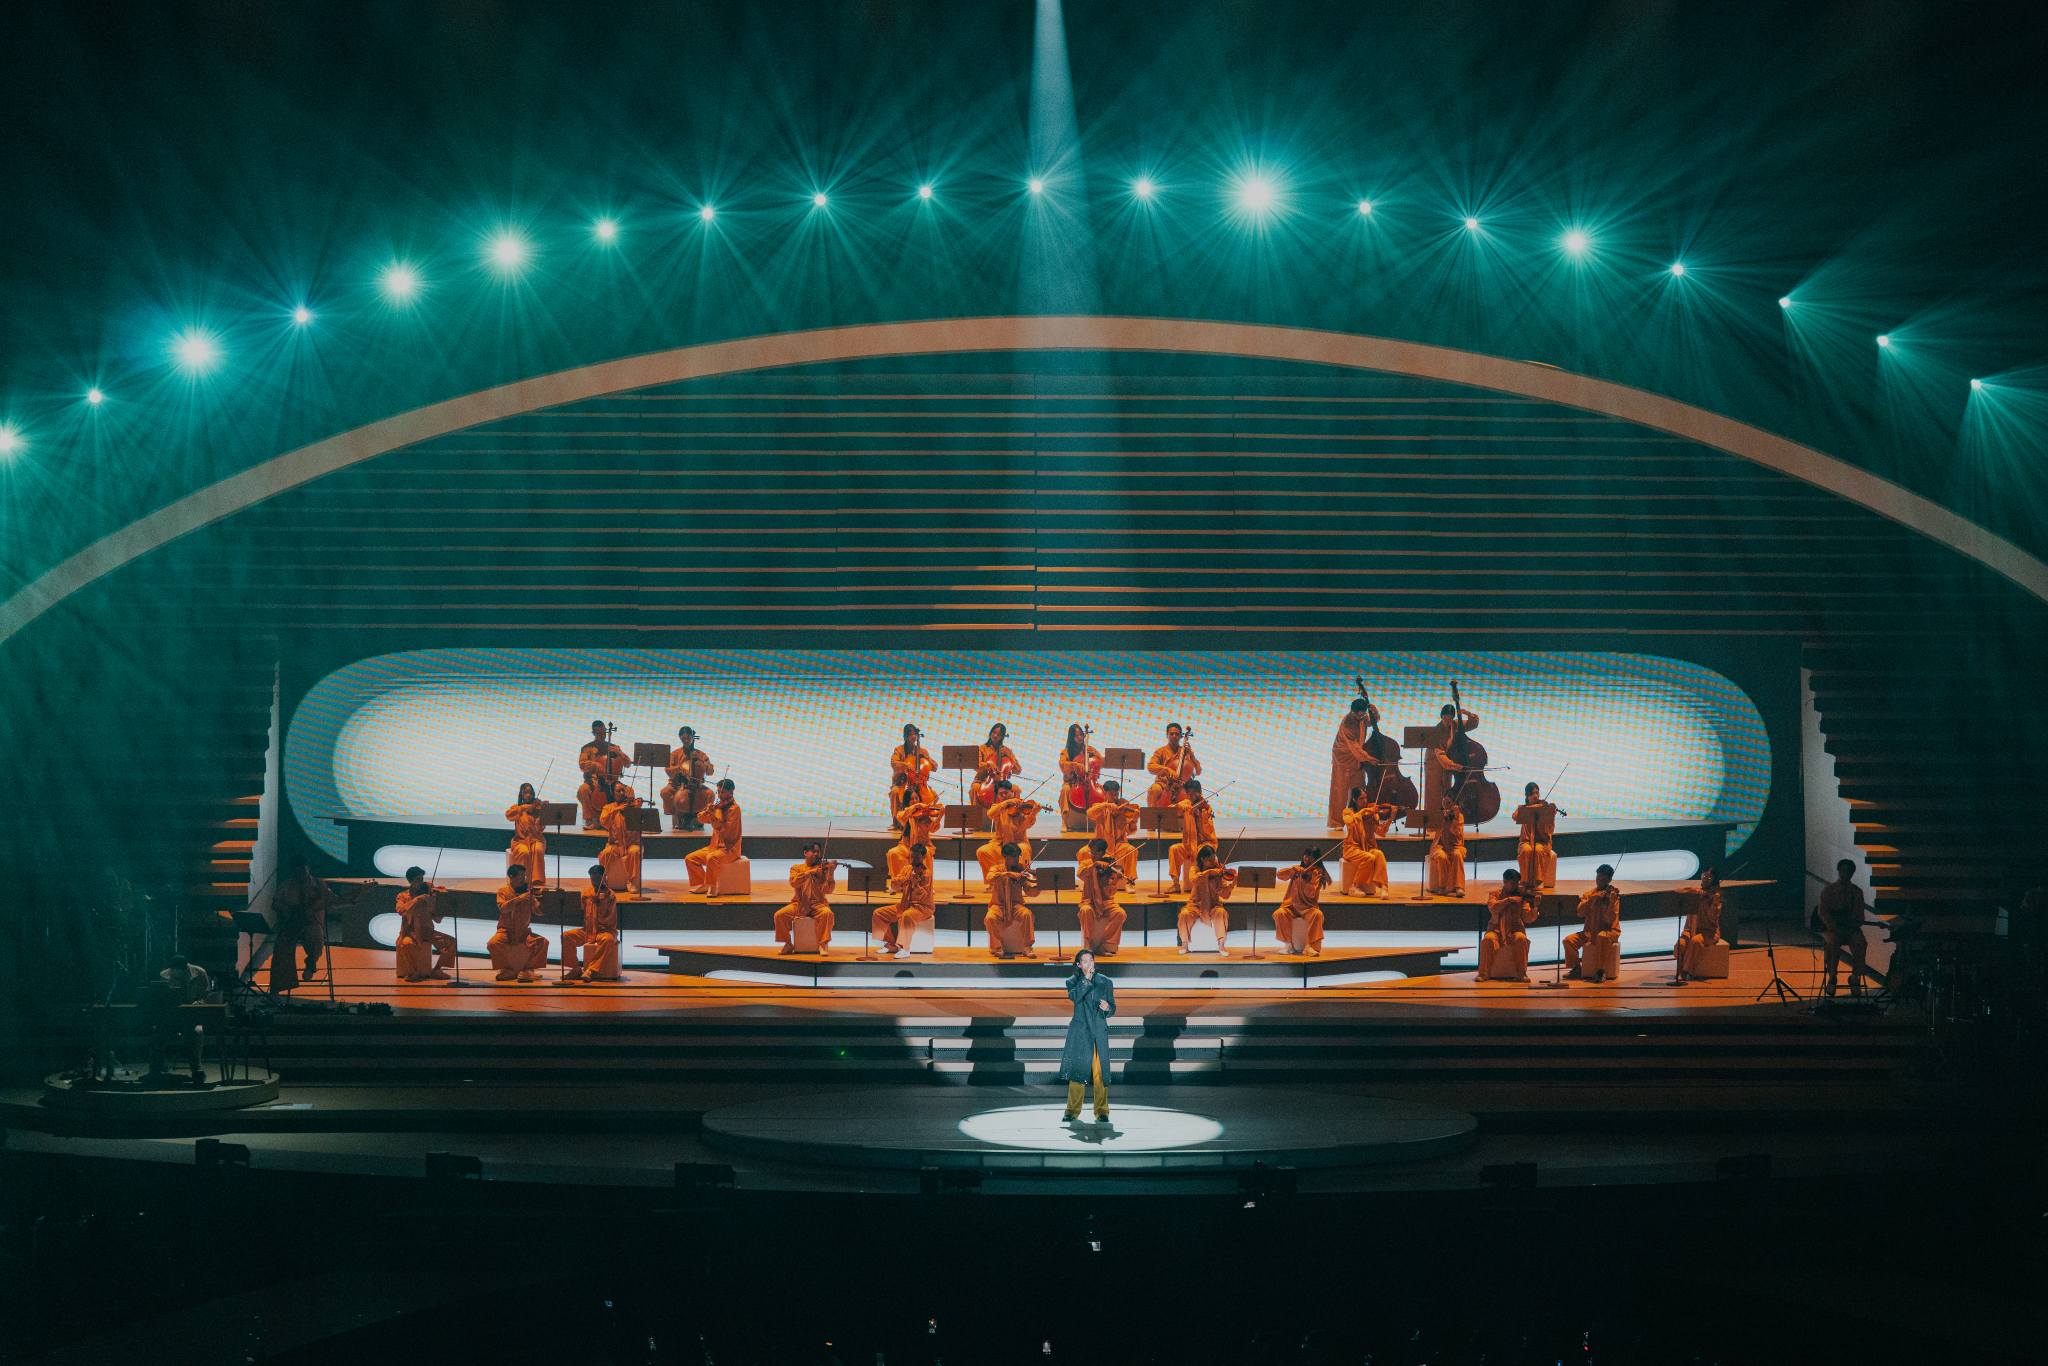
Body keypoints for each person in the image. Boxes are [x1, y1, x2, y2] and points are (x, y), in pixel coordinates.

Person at [1059, 950, 1116, 1123]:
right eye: (1085, 961)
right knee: (1078, 1072)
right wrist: (1086, 979)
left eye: (1091, 960)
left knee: (1100, 1073)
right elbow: (1075, 997)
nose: (1089, 964)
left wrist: (1108, 1008)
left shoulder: (1105, 981)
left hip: (1098, 1031)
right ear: (1078, 965)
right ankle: (1071, 1110)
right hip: (1081, 1031)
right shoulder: (1072, 982)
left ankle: (1102, 1111)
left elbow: (1112, 1007)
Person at [270, 853, 332, 993]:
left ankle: (310, 964)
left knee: (316, 937)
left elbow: (331, 899)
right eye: (297, 872)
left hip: (311, 923)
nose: (301, 875)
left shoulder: (318, 885)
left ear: (308, 868)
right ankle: (280, 985)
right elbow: (275, 903)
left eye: (303, 871)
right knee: (281, 946)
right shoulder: (286, 886)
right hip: (291, 923)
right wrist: (285, 909)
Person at [1814, 859, 1872, 997]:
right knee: (1832, 943)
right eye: (1843, 871)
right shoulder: (1828, 890)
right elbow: (1822, 912)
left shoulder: (1857, 892)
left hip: (1850, 929)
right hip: (1831, 928)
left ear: (1852, 873)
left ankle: (1855, 977)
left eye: (1849, 872)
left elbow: (1859, 915)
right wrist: (1832, 925)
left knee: (1860, 943)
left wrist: (1853, 925)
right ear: (1839, 871)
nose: (1845, 874)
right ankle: (1832, 977)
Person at [773, 842, 839, 954]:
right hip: (799, 904)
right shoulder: (796, 868)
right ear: (805, 853)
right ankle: (788, 943)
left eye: (818, 852)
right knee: (779, 915)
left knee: (827, 914)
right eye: (814, 851)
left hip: (817, 904)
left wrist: (831, 873)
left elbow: (828, 890)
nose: (816, 854)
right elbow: (793, 882)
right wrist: (810, 872)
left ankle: (823, 944)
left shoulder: (823, 870)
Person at [873, 840, 935, 956]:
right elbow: (894, 886)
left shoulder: (927, 873)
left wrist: (915, 885)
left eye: (916, 857)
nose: (913, 860)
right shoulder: (907, 869)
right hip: (905, 905)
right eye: (911, 857)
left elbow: (923, 896)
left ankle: (904, 948)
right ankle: (891, 943)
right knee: (878, 914)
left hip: (922, 908)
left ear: (923, 857)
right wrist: (904, 880)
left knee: (907, 916)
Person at [395, 865, 455, 981]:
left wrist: (441, 903)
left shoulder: (427, 895)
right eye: (418, 879)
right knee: (407, 944)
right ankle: (414, 972)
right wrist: (417, 900)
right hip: (411, 932)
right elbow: (401, 911)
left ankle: (437, 969)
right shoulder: (403, 896)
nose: (421, 882)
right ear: (410, 881)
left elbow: (437, 920)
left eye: (422, 879)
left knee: (451, 942)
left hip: (427, 931)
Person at [488, 863, 548, 982]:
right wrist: (519, 899)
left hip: (523, 931)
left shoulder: (528, 892)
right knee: (493, 943)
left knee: (543, 942)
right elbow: (503, 908)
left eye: (524, 876)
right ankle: (507, 969)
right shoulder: (503, 891)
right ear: (511, 876)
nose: (524, 879)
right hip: (506, 930)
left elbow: (538, 912)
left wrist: (539, 902)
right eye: (521, 876)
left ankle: (528, 970)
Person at [1479, 869, 1540, 982]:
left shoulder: (1521, 897)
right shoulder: (1495, 894)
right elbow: (1493, 908)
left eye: (1517, 883)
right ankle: (1483, 973)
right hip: (1496, 929)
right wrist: (1508, 900)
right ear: (1505, 882)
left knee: (1521, 938)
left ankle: (1521, 973)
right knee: (1488, 939)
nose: (1515, 885)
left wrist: (1535, 907)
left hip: (1514, 929)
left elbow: (1528, 918)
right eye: (1512, 883)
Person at [562, 864, 621, 982]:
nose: (594, 882)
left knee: (608, 940)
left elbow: (610, 919)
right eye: (592, 879)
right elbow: (582, 912)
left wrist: (600, 904)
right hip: (588, 930)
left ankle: (591, 969)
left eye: (597, 879)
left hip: (604, 930)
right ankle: (575, 968)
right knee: (566, 936)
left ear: (603, 877)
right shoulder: (587, 893)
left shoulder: (610, 896)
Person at [685, 779, 743, 897]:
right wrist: (707, 812)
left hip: (729, 849)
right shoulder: (718, 807)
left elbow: (727, 831)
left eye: (722, 792)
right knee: (690, 858)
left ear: (731, 792)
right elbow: (701, 819)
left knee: (712, 858)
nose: (719, 795)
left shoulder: (734, 809)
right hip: (714, 847)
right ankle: (703, 884)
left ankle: (713, 886)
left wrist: (716, 815)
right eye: (718, 792)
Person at [1564, 863, 1622, 981]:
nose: (1599, 881)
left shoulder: (1613, 897)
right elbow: (1580, 912)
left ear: (1609, 880)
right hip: (1589, 932)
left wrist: (1610, 902)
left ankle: (1600, 971)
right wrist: (1593, 899)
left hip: (1609, 931)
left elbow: (1609, 919)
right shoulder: (1589, 894)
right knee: (1568, 940)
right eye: (1598, 877)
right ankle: (1576, 968)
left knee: (1601, 936)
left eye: (1603, 879)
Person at [1177, 845, 1238, 954]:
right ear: (1203, 859)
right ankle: (1184, 945)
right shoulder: (1195, 869)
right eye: (1210, 860)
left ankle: (1221, 945)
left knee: (1221, 913)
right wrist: (1209, 873)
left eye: (1214, 858)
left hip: (1213, 905)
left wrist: (1233, 884)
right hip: (1195, 905)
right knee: (1184, 914)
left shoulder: (1219, 872)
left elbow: (1224, 895)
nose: (1214, 862)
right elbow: (1195, 879)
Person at [1328, 697, 1377, 829]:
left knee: (1359, 790)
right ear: (1353, 711)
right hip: (1343, 759)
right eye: (1358, 715)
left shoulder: (1362, 717)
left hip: (1358, 759)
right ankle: (1336, 822)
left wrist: (1374, 712)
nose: (1361, 718)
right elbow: (1354, 746)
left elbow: (1372, 722)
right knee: (1340, 791)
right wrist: (1368, 758)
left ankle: (1357, 818)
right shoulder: (1347, 723)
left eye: (1363, 715)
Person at [1424, 701, 1481, 814]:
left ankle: (1445, 818)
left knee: (1446, 790)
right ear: (1441, 716)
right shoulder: (1437, 731)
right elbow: (1440, 755)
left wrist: (1466, 713)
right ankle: (1432, 819)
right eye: (1445, 717)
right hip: (1434, 762)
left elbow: (1473, 724)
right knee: (1434, 792)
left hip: (1448, 762)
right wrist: (1455, 766)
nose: (1448, 720)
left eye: (1450, 717)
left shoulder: (1455, 724)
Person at [978, 781, 1043, 879]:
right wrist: (1006, 803)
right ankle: (994, 881)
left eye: (1006, 793)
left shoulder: (1021, 809)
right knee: (982, 851)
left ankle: (1021, 880)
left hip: (1018, 842)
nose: (1004, 795)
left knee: (1022, 850)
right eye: (1001, 794)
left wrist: (1033, 813)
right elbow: (990, 814)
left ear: (1012, 793)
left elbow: (1025, 827)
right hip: (1000, 843)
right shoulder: (999, 807)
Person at [1076, 838, 1130, 955]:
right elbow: (1080, 874)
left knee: (1120, 913)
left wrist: (1113, 879)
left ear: (1103, 852)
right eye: (1092, 852)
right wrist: (1094, 865)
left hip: (1106, 902)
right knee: (1085, 911)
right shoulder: (1086, 863)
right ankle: (1089, 944)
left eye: (1096, 852)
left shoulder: (1110, 865)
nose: (1093, 855)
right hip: (1089, 901)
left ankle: (1104, 944)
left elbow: (1111, 891)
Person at [984, 843, 1039, 959]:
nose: (1016, 859)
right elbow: (989, 878)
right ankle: (998, 947)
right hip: (998, 905)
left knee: (1027, 914)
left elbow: (1030, 892)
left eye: (1018, 856)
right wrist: (1009, 874)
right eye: (1013, 856)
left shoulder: (1021, 871)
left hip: (1015, 905)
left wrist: (1039, 887)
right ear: (1005, 856)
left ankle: (1027, 946)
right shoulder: (997, 869)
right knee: (990, 918)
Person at [1340, 786, 1396, 897]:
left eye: (1366, 798)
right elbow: (1350, 822)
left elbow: (1381, 832)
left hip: (1367, 847)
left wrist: (1391, 818)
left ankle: (1384, 887)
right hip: (1352, 848)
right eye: (1361, 798)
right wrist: (1364, 811)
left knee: (1379, 854)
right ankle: (1354, 886)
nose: (1365, 801)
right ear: (1354, 799)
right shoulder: (1348, 812)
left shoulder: (1372, 814)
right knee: (1369, 857)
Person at [1274, 847, 1330, 955]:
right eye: (1306, 855)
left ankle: (1309, 946)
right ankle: (1288, 945)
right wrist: (1291, 869)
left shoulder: (1318, 873)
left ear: (1316, 859)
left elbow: (1310, 893)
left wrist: (1312, 879)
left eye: (1311, 857)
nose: (1307, 858)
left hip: (1308, 907)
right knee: (1279, 913)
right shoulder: (1296, 870)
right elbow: (1279, 875)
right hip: (1291, 906)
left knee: (1317, 914)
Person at [1085, 779, 1143, 882]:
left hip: (1119, 844)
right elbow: (1089, 813)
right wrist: (1107, 805)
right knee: (1083, 852)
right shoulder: (1100, 807)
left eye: (1116, 794)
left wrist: (1134, 821)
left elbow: (1130, 830)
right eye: (1112, 795)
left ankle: (1130, 880)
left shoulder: (1123, 807)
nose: (1115, 797)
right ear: (1105, 793)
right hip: (1102, 846)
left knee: (1131, 850)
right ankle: (1089, 881)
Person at [1673, 867, 1725, 980]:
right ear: (1701, 875)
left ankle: (1685, 971)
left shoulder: (1716, 896)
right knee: (1680, 944)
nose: (1706, 878)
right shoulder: (1696, 892)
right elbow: (1678, 891)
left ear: (1714, 880)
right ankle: (1679, 969)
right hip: (1690, 929)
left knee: (1695, 941)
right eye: (1704, 875)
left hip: (1708, 932)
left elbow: (1713, 917)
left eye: (1710, 877)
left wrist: (1714, 902)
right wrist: (1695, 891)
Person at [577, 721, 630, 829]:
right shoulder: (587, 748)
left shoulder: (614, 747)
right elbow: (582, 765)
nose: (602, 736)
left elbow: (627, 764)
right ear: (593, 733)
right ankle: (591, 819)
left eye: (604, 733)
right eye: (599, 733)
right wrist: (595, 764)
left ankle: (621, 820)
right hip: (594, 781)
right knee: (583, 790)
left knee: (629, 791)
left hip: (613, 781)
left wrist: (619, 753)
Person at [662, 726, 716, 832]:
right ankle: (677, 816)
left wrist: (701, 761)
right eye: (683, 739)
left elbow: (710, 771)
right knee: (665, 792)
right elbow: (668, 771)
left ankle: (701, 817)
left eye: (688, 738)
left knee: (710, 794)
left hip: (697, 786)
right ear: (680, 738)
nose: (686, 741)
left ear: (692, 737)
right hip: (678, 785)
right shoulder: (675, 754)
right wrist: (679, 768)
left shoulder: (701, 754)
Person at [1511, 783, 1564, 889]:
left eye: (1537, 793)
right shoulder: (1523, 808)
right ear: (1527, 796)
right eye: (1532, 794)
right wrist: (1531, 807)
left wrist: (1551, 814)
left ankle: (1538, 881)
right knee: (1526, 850)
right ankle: (1525, 880)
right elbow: (1515, 816)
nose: (1535, 796)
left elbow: (1550, 829)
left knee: (1538, 850)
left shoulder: (1544, 808)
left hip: (1542, 841)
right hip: (1526, 841)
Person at [1168, 779, 1216, 894]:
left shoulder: (1206, 808)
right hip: (1189, 844)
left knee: (1204, 852)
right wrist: (1179, 807)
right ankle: (1175, 884)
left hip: (1204, 844)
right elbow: (1170, 810)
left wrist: (1199, 817)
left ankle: (1202, 886)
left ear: (1199, 792)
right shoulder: (1187, 803)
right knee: (1174, 849)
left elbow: (1207, 832)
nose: (1190, 795)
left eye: (1193, 792)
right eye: (1188, 793)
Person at [598, 786, 645, 898]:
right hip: (615, 844)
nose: (621, 793)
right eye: (618, 791)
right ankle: (603, 880)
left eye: (623, 790)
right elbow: (604, 822)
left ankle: (633, 881)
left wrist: (636, 809)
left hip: (632, 843)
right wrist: (616, 810)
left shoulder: (633, 807)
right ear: (613, 793)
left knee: (635, 852)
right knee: (605, 854)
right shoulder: (608, 808)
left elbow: (642, 824)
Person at [1057, 724, 1105, 831]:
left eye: (1081, 735)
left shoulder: (1089, 749)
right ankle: (1064, 822)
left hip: (1091, 782)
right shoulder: (1066, 751)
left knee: (1103, 791)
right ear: (1071, 738)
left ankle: (1100, 822)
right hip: (1073, 782)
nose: (1079, 737)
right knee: (1065, 790)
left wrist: (1096, 754)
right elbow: (1062, 764)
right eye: (1076, 735)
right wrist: (1073, 764)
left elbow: (1102, 763)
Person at [1145, 722, 1201, 808]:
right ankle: (1152, 814)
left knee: (1194, 796)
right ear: (1167, 735)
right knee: (1153, 790)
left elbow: (1198, 771)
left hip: (1183, 785)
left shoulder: (1186, 752)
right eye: (1171, 734)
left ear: (1181, 736)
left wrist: (1192, 755)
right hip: (1164, 784)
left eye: (1177, 734)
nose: (1174, 736)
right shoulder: (1160, 751)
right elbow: (1150, 767)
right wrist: (1167, 769)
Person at [504, 782, 548, 884]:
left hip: (536, 840)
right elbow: (508, 815)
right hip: (520, 841)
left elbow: (540, 829)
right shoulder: (517, 808)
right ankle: (521, 880)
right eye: (526, 793)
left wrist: (543, 811)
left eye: (531, 793)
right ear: (521, 795)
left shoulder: (537, 809)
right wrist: (524, 807)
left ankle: (537, 881)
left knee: (537, 850)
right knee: (524, 852)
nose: (528, 795)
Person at [970, 724, 1021, 806]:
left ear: (1002, 737)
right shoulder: (982, 748)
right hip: (982, 781)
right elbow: (976, 765)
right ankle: (976, 813)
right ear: (990, 733)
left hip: (1002, 783)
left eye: (999, 734)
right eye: (994, 732)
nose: (995, 735)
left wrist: (1010, 756)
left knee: (1016, 790)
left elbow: (1018, 770)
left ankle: (1011, 813)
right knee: (974, 788)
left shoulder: (1007, 751)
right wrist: (988, 764)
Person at [1425, 796, 1467, 897]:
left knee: (1457, 855)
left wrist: (1455, 818)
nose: (1446, 803)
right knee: (1441, 856)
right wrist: (1440, 819)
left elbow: (1455, 833)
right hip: (1440, 846)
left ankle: (1459, 887)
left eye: (1449, 802)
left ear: (1454, 804)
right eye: (1444, 801)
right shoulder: (1440, 814)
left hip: (1456, 846)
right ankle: (1443, 886)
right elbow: (1429, 829)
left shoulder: (1459, 816)